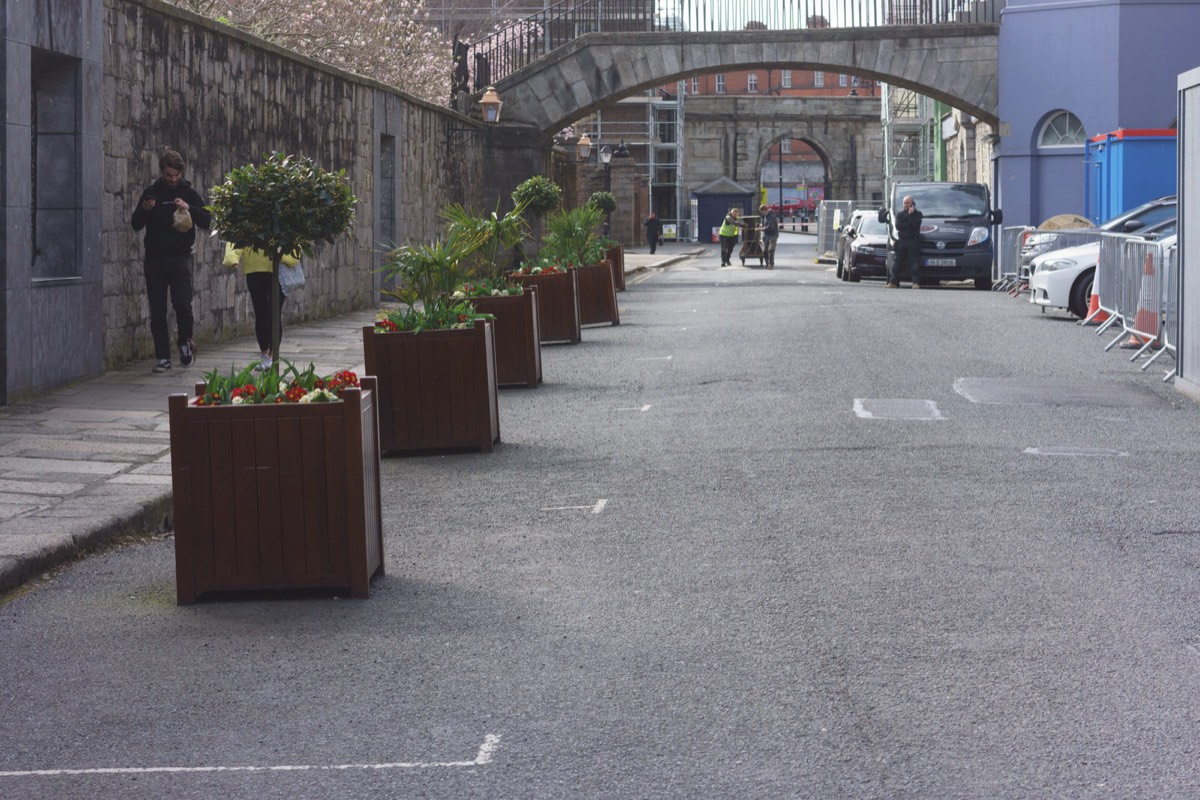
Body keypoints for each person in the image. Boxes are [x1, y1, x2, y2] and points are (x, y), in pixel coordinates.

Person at [131, 149, 211, 372]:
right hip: (155, 259)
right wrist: (145, 210)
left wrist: (189, 209)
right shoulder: (151, 193)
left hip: (180, 258)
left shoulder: (189, 193)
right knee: (157, 310)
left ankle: (185, 342)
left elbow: (206, 219)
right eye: (168, 176)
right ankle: (163, 357)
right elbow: (135, 223)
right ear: (162, 173)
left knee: (184, 306)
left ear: (181, 173)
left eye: (176, 176)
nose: (173, 180)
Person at [223, 244, 300, 372]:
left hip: (278, 266)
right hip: (255, 268)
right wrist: (232, 256)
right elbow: (238, 230)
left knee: (273, 311)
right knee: (261, 312)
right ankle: (265, 353)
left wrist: (288, 255)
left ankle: (273, 355)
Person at [887, 194, 923, 289]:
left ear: (912, 204)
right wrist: (908, 217)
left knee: (914, 263)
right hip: (902, 241)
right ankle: (893, 282)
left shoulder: (918, 214)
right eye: (904, 203)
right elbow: (899, 226)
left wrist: (910, 216)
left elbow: (915, 224)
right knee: (897, 262)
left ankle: (915, 283)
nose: (905, 205)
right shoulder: (899, 214)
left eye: (907, 203)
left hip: (913, 241)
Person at [759, 203, 780, 269]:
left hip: (773, 235)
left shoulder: (772, 216)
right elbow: (764, 225)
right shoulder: (764, 216)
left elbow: (771, 227)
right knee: (765, 251)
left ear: (764, 210)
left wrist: (761, 229)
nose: (761, 213)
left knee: (770, 250)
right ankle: (767, 264)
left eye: (761, 211)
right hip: (766, 235)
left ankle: (771, 264)